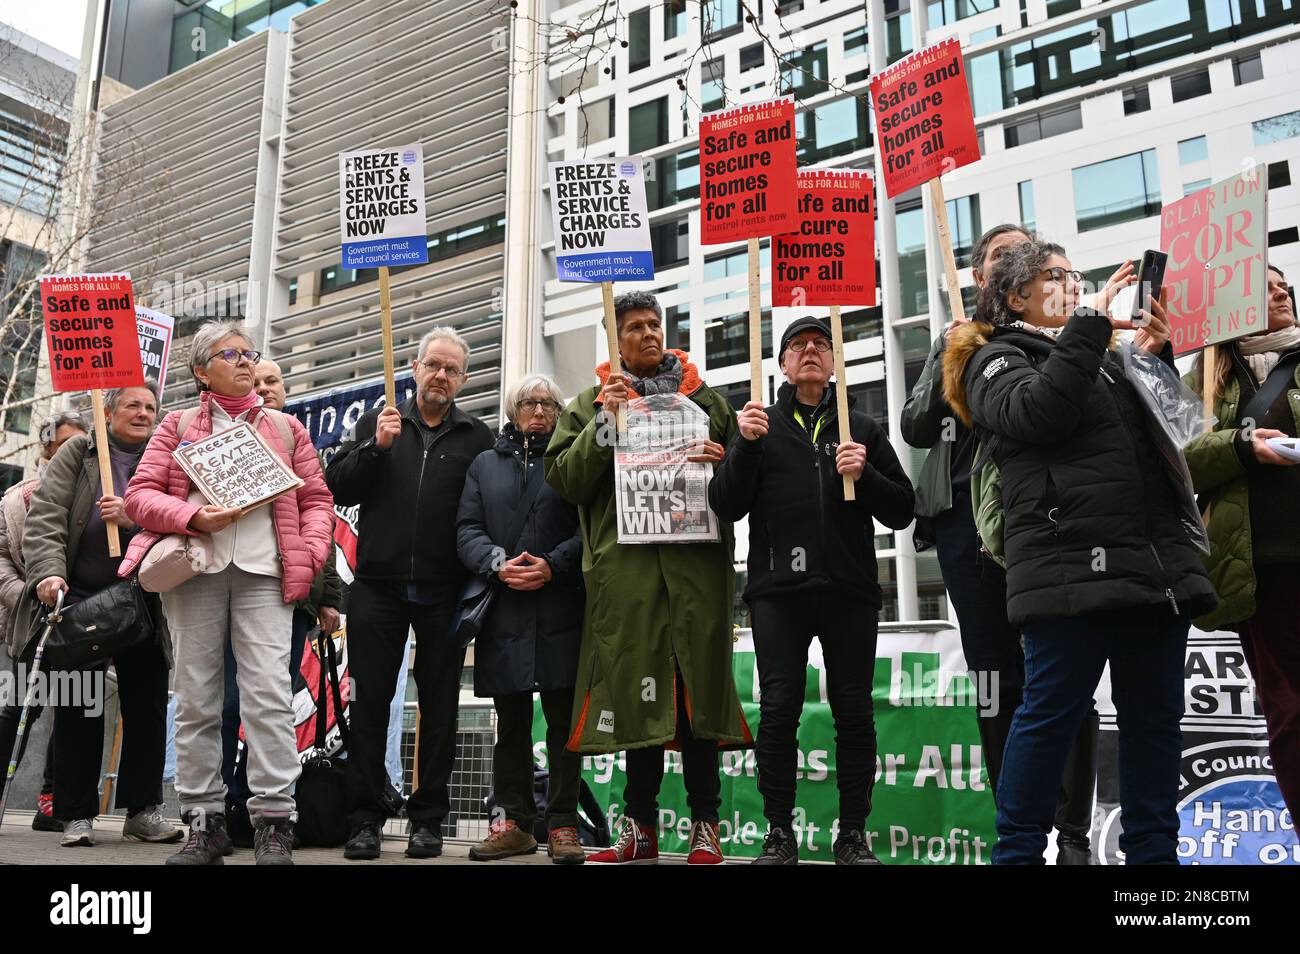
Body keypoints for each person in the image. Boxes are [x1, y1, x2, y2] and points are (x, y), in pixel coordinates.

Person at [941, 240, 1218, 864]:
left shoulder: (1110, 357)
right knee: (1049, 717)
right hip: (1068, 573)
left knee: (1154, 723)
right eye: (1054, 277)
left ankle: (1153, 862)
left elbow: (1178, 437)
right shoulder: (992, 357)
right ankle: (1017, 853)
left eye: (1074, 275)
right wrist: (1090, 327)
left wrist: (1156, 360)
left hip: (1151, 568)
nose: (1071, 284)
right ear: (1015, 297)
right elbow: (1037, 414)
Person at [901, 224, 1109, 862]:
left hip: (1045, 521)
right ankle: (1017, 829)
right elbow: (914, 425)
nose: (1012, 266)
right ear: (980, 277)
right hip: (969, 528)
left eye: (1024, 258)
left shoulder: (1056, 334)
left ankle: (1073, 832)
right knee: (995, 680)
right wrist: (952, 356)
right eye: (998, 257)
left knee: (1062, 674)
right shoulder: (956, 344)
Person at [544, 290, 752, 866]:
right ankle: (639, 829)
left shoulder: (706, 400)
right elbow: (565, 481)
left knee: (696, 698)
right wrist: (603, 427)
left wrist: (726, 458)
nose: (649, 334)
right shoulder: (590, 403)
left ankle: (706, 826)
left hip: (697, 576)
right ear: (615, 338)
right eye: (634, 327)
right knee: (640, 699)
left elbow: (744, 484)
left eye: (654, 325)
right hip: (626, 578)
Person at [119, 321, 335, 865]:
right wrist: (194, 516)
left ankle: (273, 822)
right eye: (230, 354)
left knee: (266, 698)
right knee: (195, 700)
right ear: (200, 371)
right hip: (196, 573)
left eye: (249, 353)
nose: (245, 362)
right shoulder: (177, 423)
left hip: (267, 577)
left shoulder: (287, 429)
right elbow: (140, 497)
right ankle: (204, 822)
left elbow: (317, 502)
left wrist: (309, 554)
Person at [709, 317, 915, 864]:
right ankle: (779, 833)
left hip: (849, 592)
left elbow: (902, 508)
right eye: (798, 345)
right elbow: (724, 505)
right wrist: (746, 447)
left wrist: (865, 474)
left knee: (854, 713)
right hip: (779, 593)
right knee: (778, 711)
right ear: (781, 363)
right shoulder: (759, 424)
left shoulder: (862, 428)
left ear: (833, 361)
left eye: (821, 345)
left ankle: (852, 835)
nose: (810, 352)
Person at [327, 327, 493, 861]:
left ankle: (429, 820)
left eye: (451, 369)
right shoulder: (379, 423)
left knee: (440, 708)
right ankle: (365, 819)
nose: (440, 375)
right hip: (378, 587)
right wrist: (376, 449)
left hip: (445, 591)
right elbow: (338, 487)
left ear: (462, 379)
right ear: (414, 368)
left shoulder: (477, 438)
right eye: (433, 365)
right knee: (371, 704)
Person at [16, 384, 179, 847]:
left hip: (141, 604)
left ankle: (143, 811)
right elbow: (45, 518)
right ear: (107, 413)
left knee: (146, 708)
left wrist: (135, 519)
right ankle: (76, 814)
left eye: (150, 407)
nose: (143, 413)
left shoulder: (165, 458)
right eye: (132, 405)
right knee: (77, 709)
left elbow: (179, 519)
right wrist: (47, 576)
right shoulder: (77, 453)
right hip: (79, 603)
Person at [1184, 264, 1300, 835]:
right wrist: (1240, 446)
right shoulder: (1207, 376)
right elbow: (1173, 457)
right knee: (1292, 713)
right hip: (1263, 571)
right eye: (1265, 287)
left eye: (1284, 286)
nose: (1280, 292)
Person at [209, 358, 345, 845]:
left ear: (285, 391)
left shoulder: (297, 443)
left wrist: (326, 598)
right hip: (223, 592)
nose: (264, 388)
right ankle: (219, 811)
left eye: (273, 381)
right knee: (223, 706)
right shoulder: (216, 435)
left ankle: (264, 814)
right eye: (256, 380)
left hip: (286, 602)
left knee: (269, 707)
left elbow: (319, 523)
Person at [457, 374, 586, 864]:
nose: (538, 410)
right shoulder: (483, 465)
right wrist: (495, 561)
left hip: (560, 605)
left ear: (559, 411)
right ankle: (514, 823)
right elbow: (466, 527)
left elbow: (589, 527)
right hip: (503, 606)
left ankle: (563, 826)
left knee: (562, 723)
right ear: (513, 411)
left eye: (548, 403)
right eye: (529, 403)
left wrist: (553, 565)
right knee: (509, 725)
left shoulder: (570, 459)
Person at [0, 410, 87, 832]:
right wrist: (28, 596)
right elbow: (2, 558)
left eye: (81, 441)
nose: (74, 449)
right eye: (64, 442)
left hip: (80, 619)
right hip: (32, 622)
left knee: (74, 707)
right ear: (47, 448)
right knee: (17, 709)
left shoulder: (95, 492)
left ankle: (53, 802)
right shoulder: (15, 499)